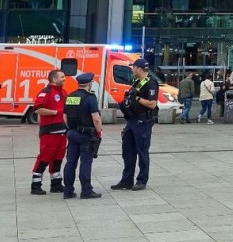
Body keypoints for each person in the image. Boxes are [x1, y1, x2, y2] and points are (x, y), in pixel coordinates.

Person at [112, 58, 159, 190]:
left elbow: (152, 104)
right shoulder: (138, 82)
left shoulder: (151, 83)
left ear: (138, 68)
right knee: (128, 152)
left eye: (133, 68)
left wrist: (137, 98)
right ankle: (126, 180)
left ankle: (142, 180)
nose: (132, 70)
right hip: (132, 121)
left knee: (142, 152)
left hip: (143, 122)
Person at [61, 72, 103, 199]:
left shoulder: (70, 96)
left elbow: (64, 116)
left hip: (72, 133)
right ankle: (86, 190)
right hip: (86, 134)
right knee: (86, 162)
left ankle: (68, 191)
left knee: (71, 162)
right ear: (90, 84)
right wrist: (99, 132)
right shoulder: (90, 98)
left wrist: (71, 128)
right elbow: (96, 118)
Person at [30, 69, 68, 196]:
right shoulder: (45, 92)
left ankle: (56, 184)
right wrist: (55, 112)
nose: (64, 79)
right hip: (49, 131)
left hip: (62, 131)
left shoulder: (64, 92)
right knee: (45, 157)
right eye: (62, 77)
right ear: (54, 79)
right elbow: (37, 109)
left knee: (58, 157)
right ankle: (36, 185)